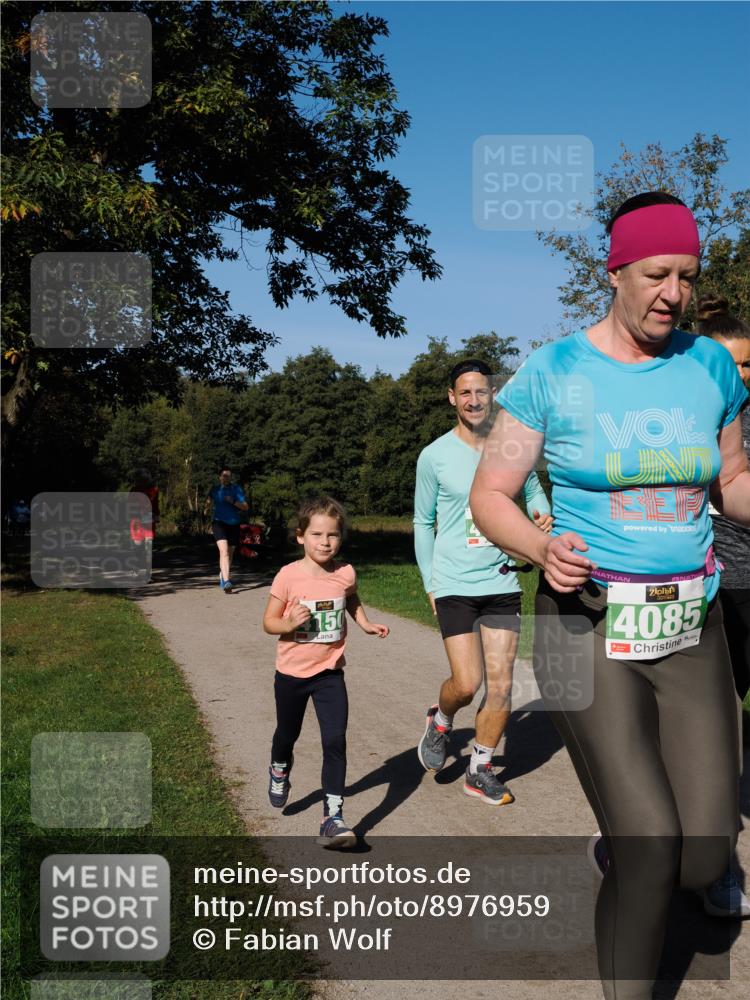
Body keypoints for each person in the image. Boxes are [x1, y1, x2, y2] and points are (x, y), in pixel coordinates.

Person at [469, 192, 750, 999]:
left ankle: (623, 852)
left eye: (688, 277)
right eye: (657, 274)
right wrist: (537, 545)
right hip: (586, 623)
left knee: (702, 853)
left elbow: (729, 480)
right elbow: (492, 494)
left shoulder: (709, 368)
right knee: (654, 847)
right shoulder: (552, 373)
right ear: (615, 271)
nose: (673, 293)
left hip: (691, 623)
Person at [414, 358, 552, 804]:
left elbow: (532, 492)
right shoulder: (433, 456)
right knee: (467, 683)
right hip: (453, 581)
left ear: (492, 395)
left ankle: (481, 766)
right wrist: (430, 584)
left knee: (501, 683)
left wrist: (539, 513)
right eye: (465, 393)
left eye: (482, 391)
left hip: (502, 580)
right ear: (452, 398)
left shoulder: (511, 450)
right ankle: (441, 719)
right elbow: (422, 522)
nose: (475, 400)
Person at [262, 496, 389, 848]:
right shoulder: (288, 576)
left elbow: (351, 598)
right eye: (317, 534)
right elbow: (268, 622)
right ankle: (278, 767)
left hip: (330, 674)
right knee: (287, 735)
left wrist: (363, 623)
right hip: (291, 675)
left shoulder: (345, 573)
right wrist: (289, 621)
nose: (325, 542)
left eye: (332, 535)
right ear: (300, 536)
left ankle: (332, 818)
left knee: (335, 741)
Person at [696, 295, 750, 918]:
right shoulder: (683, 417)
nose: (741, 377)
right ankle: (714, 865)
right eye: (731, 364)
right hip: (708, 586)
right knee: (714, 725)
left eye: (748, 365)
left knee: (726, 726)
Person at [203, 466, 248, 592]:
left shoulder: (236, 489)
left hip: (233, 524)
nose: (226, 478)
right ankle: (227, 581)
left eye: (228, 476)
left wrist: (233, 501)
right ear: (220, 477)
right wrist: (206, 508)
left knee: (230, 552)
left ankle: (223, 575)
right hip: (218, 523)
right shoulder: (215, 489)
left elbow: (245, 507)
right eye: (224, 475)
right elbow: (208, 503)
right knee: (224, 552)